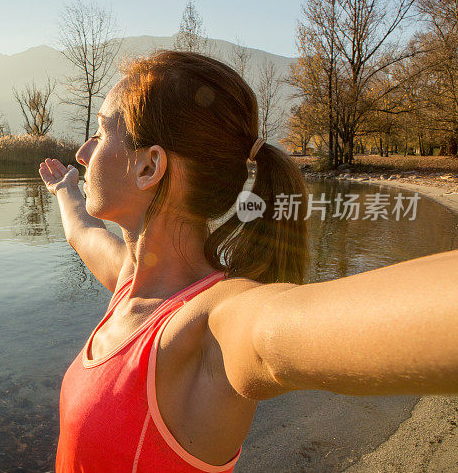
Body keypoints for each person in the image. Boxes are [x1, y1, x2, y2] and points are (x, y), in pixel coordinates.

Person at [38, 50, 458, 472]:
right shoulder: (131, 284)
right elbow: (82, 232)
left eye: (101, 131)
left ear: (150, 166)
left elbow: (286, 332)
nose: (83, 152)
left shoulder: (215, 326)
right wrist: (64, 189)